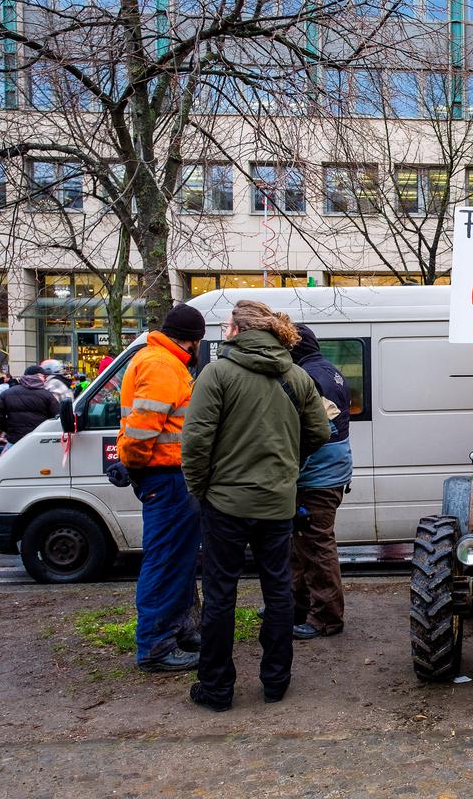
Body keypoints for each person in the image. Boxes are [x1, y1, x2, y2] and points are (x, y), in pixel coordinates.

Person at [183, 300, 329, 711]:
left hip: (225, 503)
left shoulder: (216, 374)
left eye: (227, 324)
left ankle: (216, 688)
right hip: (277, 503)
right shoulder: (296, 376)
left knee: (220, 595)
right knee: (279, 591)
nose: (224, 330)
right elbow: (320, 432)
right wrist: (288, 464)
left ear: (239, 329)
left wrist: (200, 489)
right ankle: (275, 682)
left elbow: (195, 442)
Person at [118, 305, 207, 673]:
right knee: (167, 562)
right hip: (166, 476)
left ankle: (178, 630)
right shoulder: (162, 365)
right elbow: (142, 431)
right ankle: (156, 646)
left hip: (166, 476)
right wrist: (136, 465)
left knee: (177, 561)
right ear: (193, 340)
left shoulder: (159, 360)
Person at [289, 324, 353, 640]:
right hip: (331, 471)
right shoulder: (329, 370)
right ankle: (296, 607)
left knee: (316, 546)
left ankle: (326, 618)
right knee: (303, 545)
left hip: (317, 475)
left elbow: (311, 432)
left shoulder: (308, 377)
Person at [0, 365, 59, 445]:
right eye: (43, 376)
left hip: (15, 440)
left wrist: (8, 428)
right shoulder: (47, 395)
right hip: (38, 440)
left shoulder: (8, 393)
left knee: (11, 453)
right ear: (37, 376)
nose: (45, 379)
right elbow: (57, 416)